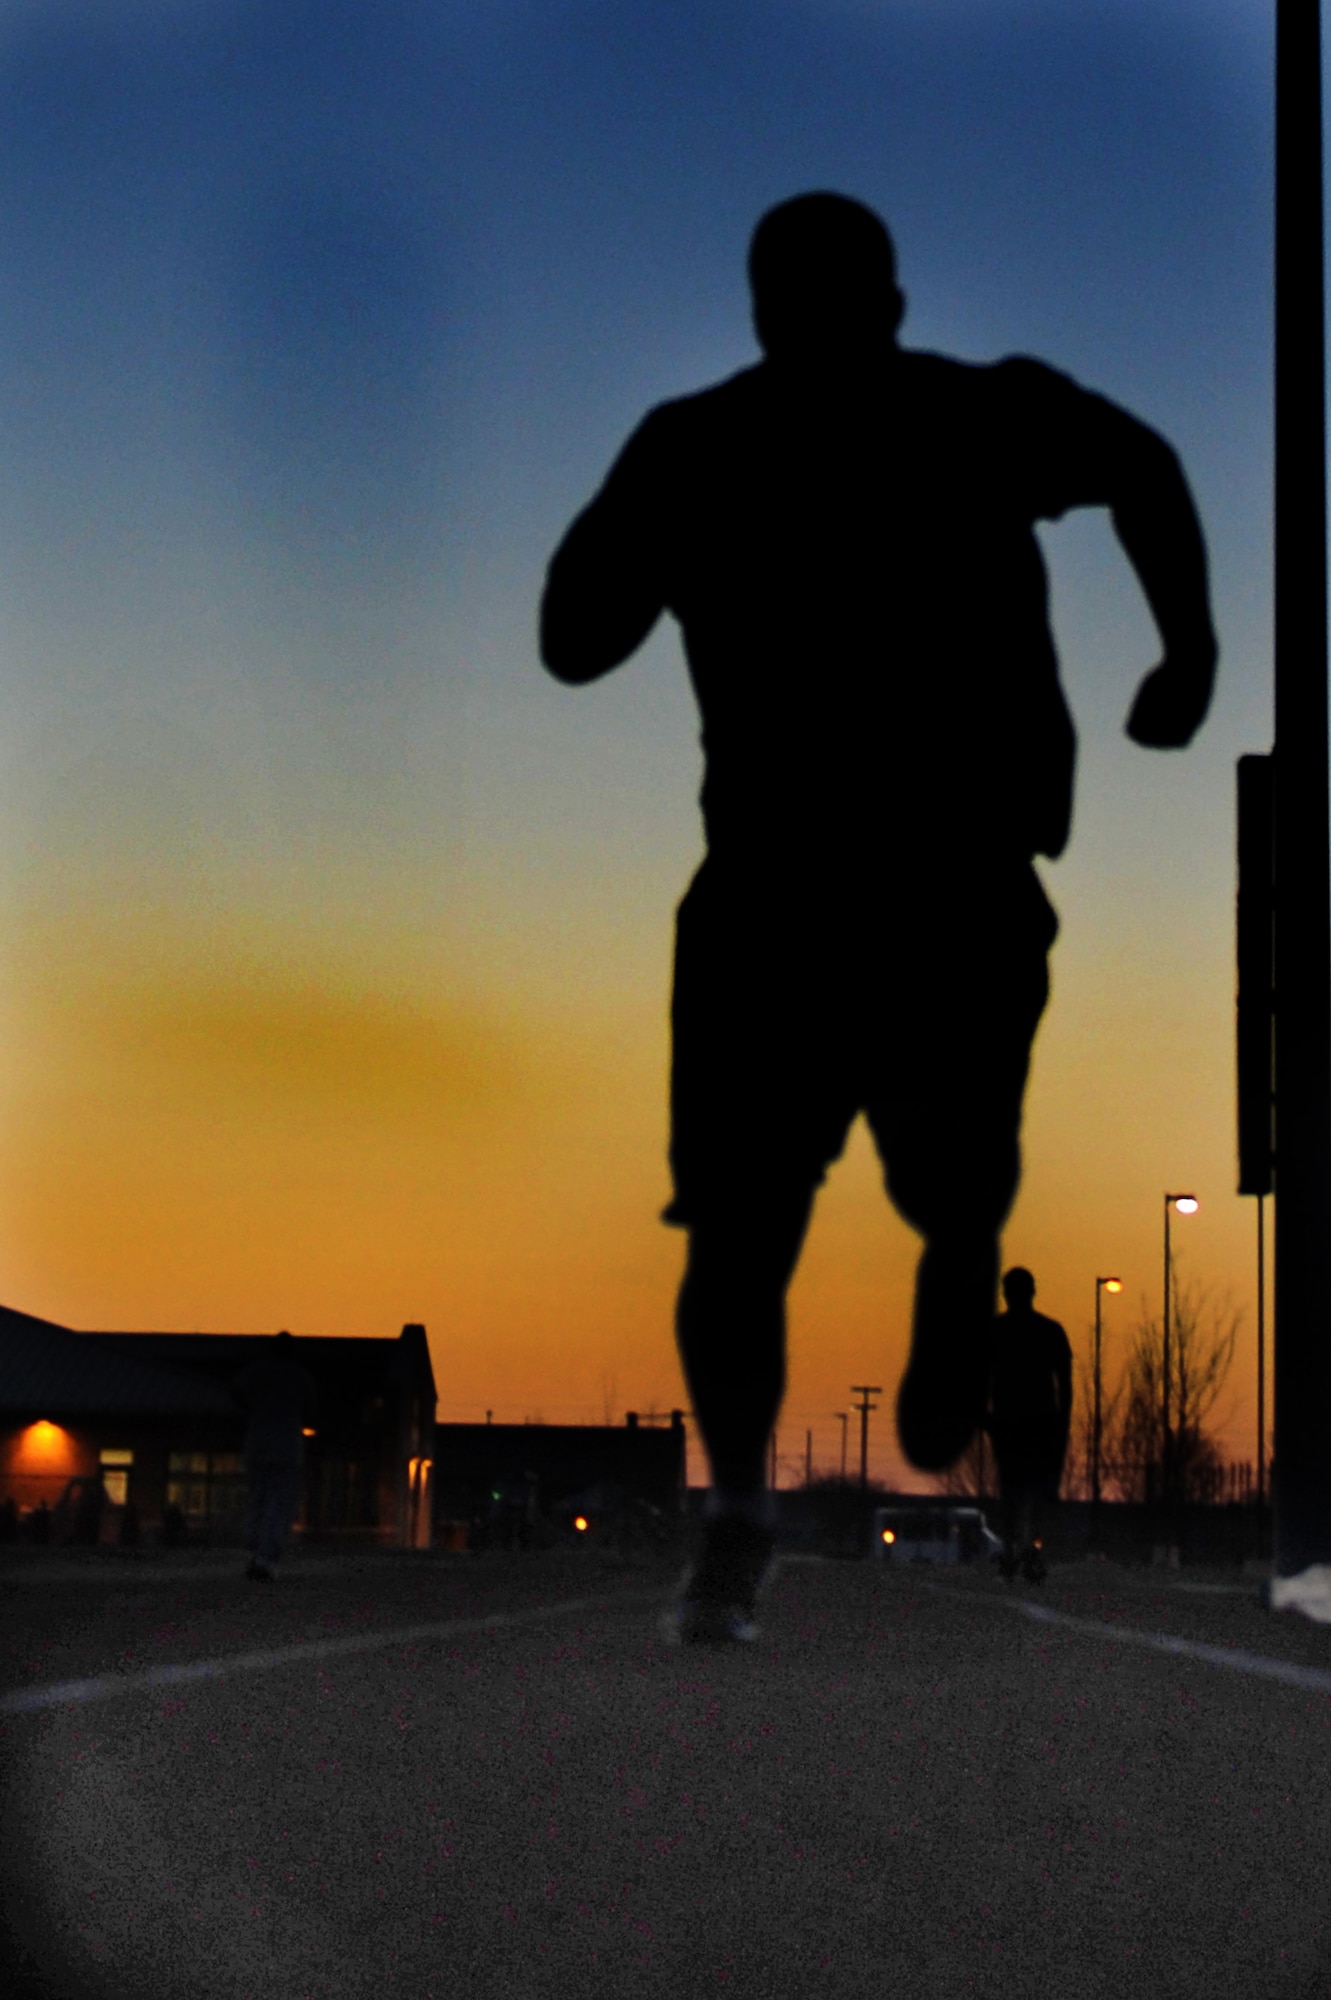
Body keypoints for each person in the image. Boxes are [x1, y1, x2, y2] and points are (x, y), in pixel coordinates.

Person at [539, 191, 1216, 1641]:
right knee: (757, 1214)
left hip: (861, 888)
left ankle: (764, 1482)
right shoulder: (912, 422)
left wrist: (1191, 650)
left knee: (753, 1227)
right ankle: (780, 1457)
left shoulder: (732, 440)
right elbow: (1144, 464)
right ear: (886, 305)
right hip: (882, 889)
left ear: (772, 313)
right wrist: (1183, 653)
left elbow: (567, 638)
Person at [985, 1267, 1073, 1582]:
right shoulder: (1050, 1331)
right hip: (1040, 1424)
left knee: (1012, 1490)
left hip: (1011, 1423)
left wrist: (988, 1420)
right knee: (1036, 1492)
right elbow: (1066, 1385)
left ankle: (1013, 1550)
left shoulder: (994, 1332)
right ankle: (1030, 1551)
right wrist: (1063, 1423)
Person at [232, 1329, 318, 1580]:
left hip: (258, 1443)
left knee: (258, 1499)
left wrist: (253, 1409)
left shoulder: (257, 1372)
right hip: (286, 1447)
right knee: (279, 1505)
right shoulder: (299, 1376)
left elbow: (235, 1391)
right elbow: (312, 1409)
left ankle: (254, 1548)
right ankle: (265, 1557)